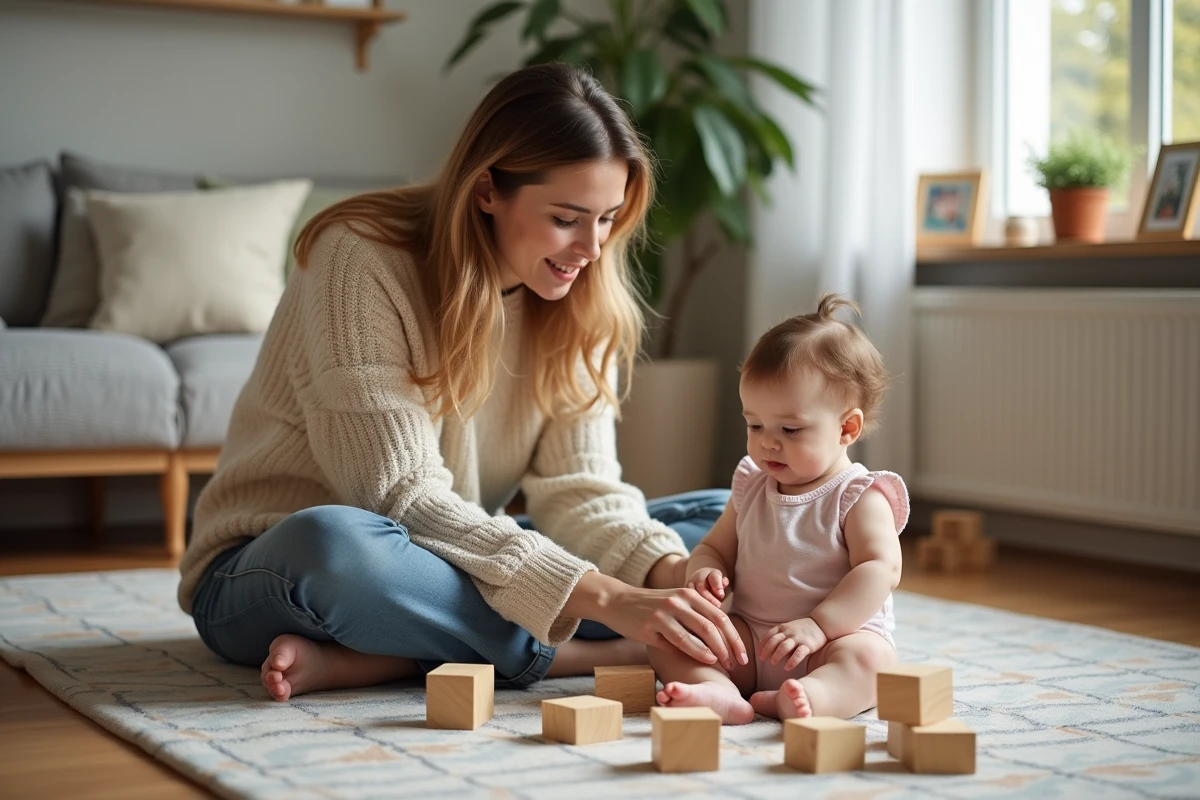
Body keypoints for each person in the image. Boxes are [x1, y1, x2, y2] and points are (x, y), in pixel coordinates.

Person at [176, 63, 748, 702]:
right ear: (486, 191)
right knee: (336, 546)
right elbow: (399, 499)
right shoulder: (357, 259)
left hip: (451, 555)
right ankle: (590, 652)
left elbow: (580, 492)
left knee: (729, 523)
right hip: (282, 569)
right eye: (566, 218)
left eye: (609, 218)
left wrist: (672, 580)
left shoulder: (583, 298)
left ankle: (385, 657)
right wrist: (616, 603)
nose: (591, 248)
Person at [649, 294, 908, 724]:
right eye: (755, 424)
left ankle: (814, 695)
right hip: (752, 638)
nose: (768, 441)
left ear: (847, 428)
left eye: (789, 428)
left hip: (830, 643)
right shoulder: (752, 484)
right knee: (667, 640)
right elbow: (715, 547)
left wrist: (820, 626)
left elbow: (881, 569)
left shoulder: (858, 495)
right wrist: (704, 570)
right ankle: (719, 691)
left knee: (871, 661)